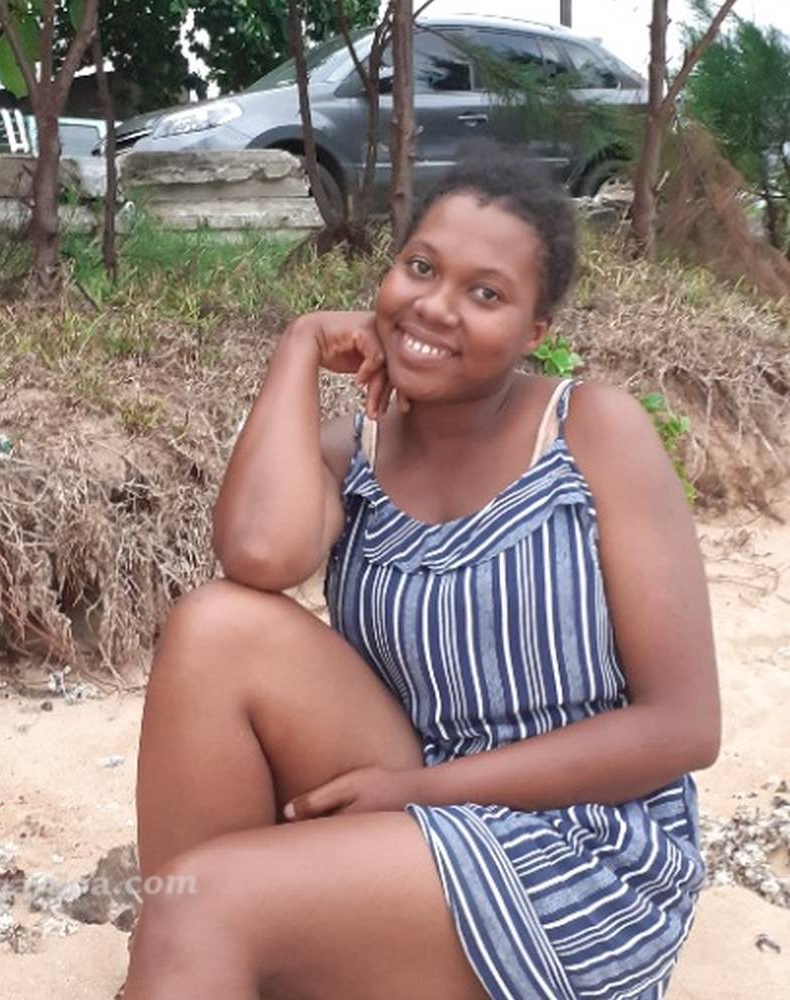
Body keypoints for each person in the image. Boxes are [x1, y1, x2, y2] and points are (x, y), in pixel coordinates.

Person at [121, 143, 720, 1000]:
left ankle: (200, 943)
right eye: (421, 268)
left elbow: (683, 727)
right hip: (405, 797)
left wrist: (420, 791)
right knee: (214, 628)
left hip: (579, 847)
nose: (435, 307)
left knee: (202, 905)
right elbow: (257, 555)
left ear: (535, 332)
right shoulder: (350, 453)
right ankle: (197, 953)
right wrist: (299, 346)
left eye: (486, 294)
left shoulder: (592, 433)